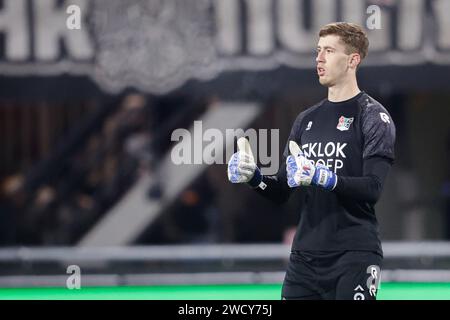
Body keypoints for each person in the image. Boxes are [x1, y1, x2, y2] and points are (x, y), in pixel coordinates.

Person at [227, 22, 396, 300]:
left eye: (329, 51)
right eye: (318, 51)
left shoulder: (373, 117)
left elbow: (373, 188)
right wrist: (254, 178)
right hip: (304, 258)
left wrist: (323, 177)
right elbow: (282, 191)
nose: (318, 59)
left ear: (353, 60)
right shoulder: (306, 120)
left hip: (353, 255)